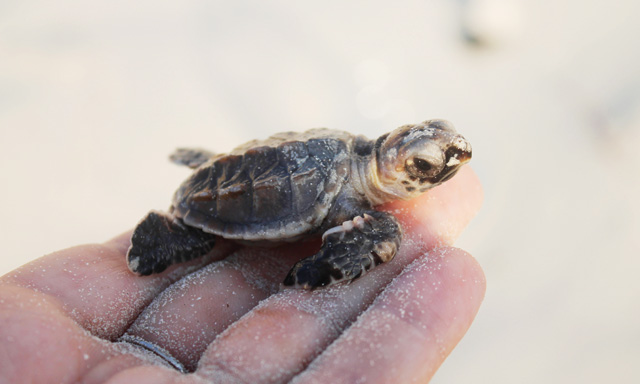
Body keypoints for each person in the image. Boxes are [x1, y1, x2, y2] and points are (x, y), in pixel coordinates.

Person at [0, 167, 484, 384]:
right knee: (381, 236)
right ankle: (171, 235)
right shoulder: (372, 213)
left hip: (230, 169)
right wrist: (317, 268)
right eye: (425, 165)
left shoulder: (351, 155)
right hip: (229, 206)